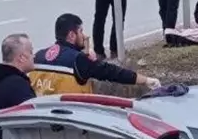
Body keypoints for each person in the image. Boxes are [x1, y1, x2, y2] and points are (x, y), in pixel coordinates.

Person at [31, 13, 160, 97]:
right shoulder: (78, 60)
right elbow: (111, 72)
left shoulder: (38, 56)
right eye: (81, 31)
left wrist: (86, 49)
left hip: (45, 117)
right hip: (73, 117)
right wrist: (146, 80)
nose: (85, 35)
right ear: (71, 35)